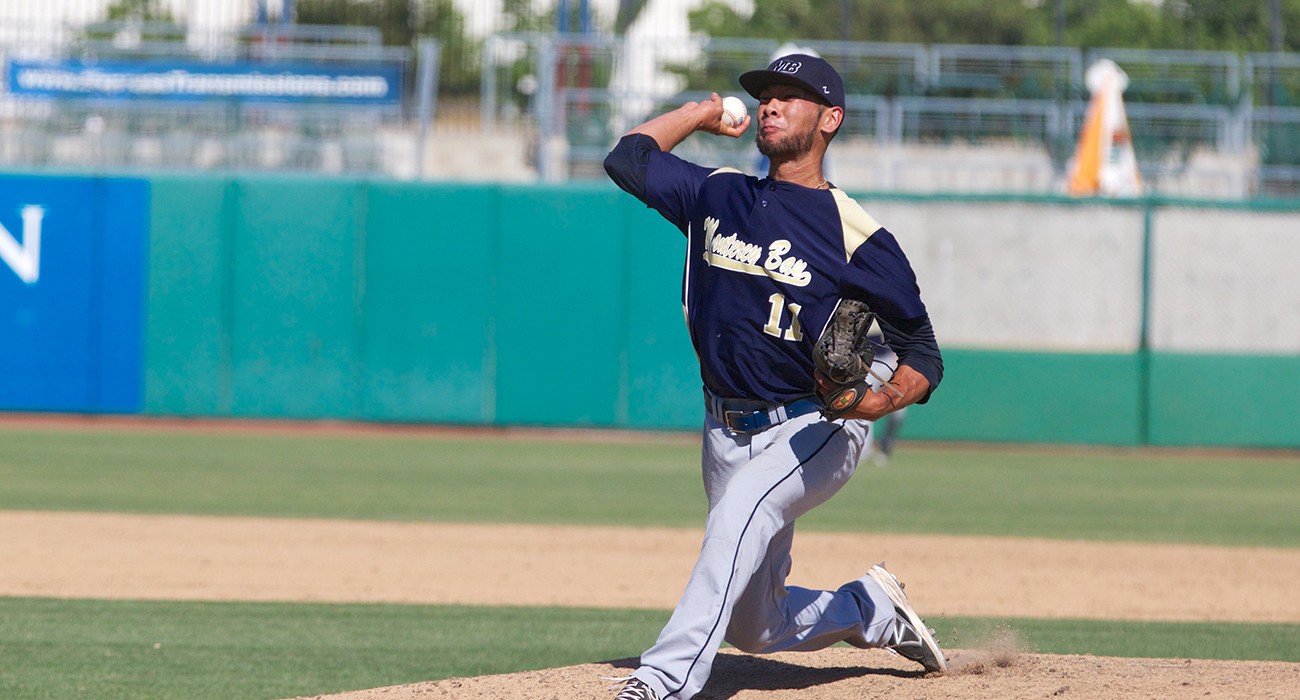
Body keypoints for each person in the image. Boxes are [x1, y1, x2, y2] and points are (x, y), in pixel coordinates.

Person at [602, 54, 946, 700]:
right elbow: (628, 158)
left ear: (830, 119)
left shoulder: (859, 238)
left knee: (738, 515)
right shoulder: (717, 195)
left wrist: (879, 401)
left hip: (816, 422)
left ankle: (661, 681)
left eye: (791, 96)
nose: (771, 105)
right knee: (756, 627)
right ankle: (870, 608)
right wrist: (701, 113)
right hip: (724, 429)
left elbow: (923, 353)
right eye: (766, 95)